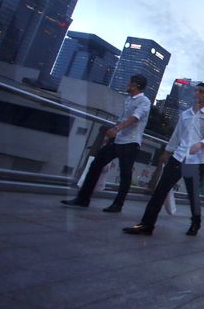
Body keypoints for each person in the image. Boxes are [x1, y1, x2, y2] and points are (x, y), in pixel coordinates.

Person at [123, 82, 204, 236]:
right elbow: (176, 135)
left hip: (197, 160)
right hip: (178, 156)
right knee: (160, 190)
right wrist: (167, 152)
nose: (197, 93)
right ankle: (146, 225)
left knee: (193, 194)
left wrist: (201, 144)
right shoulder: (185, 114)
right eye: (196, 91)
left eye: (201, 92)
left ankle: (196, 222)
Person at [61, 74, 151, 213]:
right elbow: (122, 118)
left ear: (136, 85)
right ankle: (83, 199)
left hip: (130, 142)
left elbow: (134, 118)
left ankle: (118, 205)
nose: (128, 85)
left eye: (130, 83)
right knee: (96, 164)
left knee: (125, 174)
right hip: (117, 139)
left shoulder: (144, 101)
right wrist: (111, 134)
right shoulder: (128, 99)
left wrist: (116, 129)